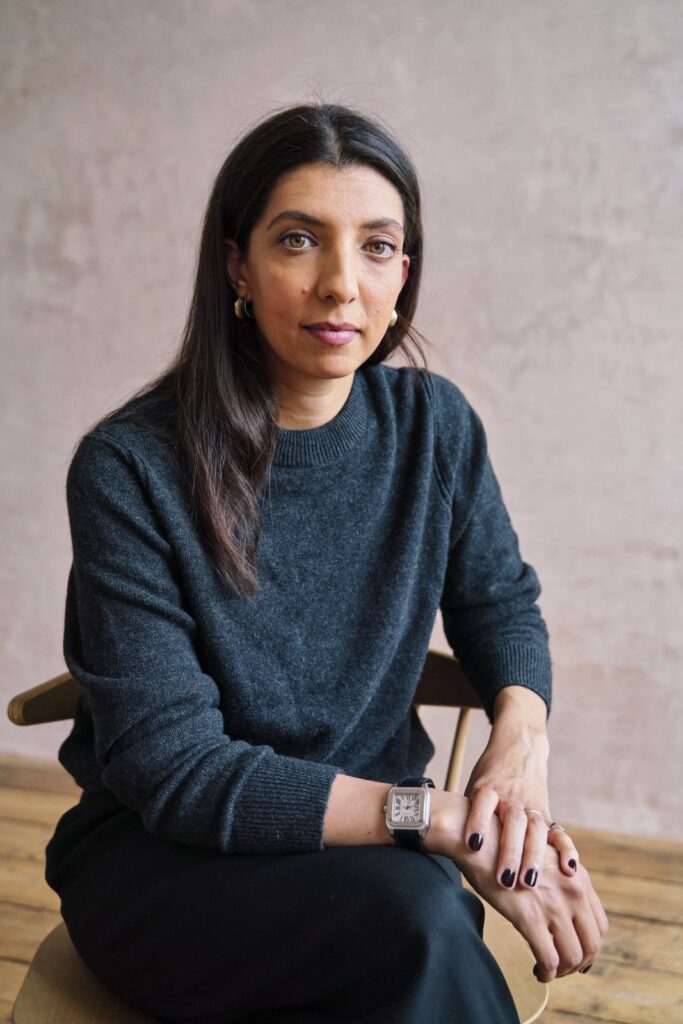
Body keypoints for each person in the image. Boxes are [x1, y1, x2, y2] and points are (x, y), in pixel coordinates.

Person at [45, 103, 608, 1024]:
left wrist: (520, 751)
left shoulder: (434, 427)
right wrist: (441, 821)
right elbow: (178, 772)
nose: (341, 284)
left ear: (404, 274)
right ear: (236, 264)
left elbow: (499, 605)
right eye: (299, 240)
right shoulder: (129, 467)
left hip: (370, 865)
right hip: (166, 862)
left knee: (413, 924)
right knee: (420, 926)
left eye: (377, 246)